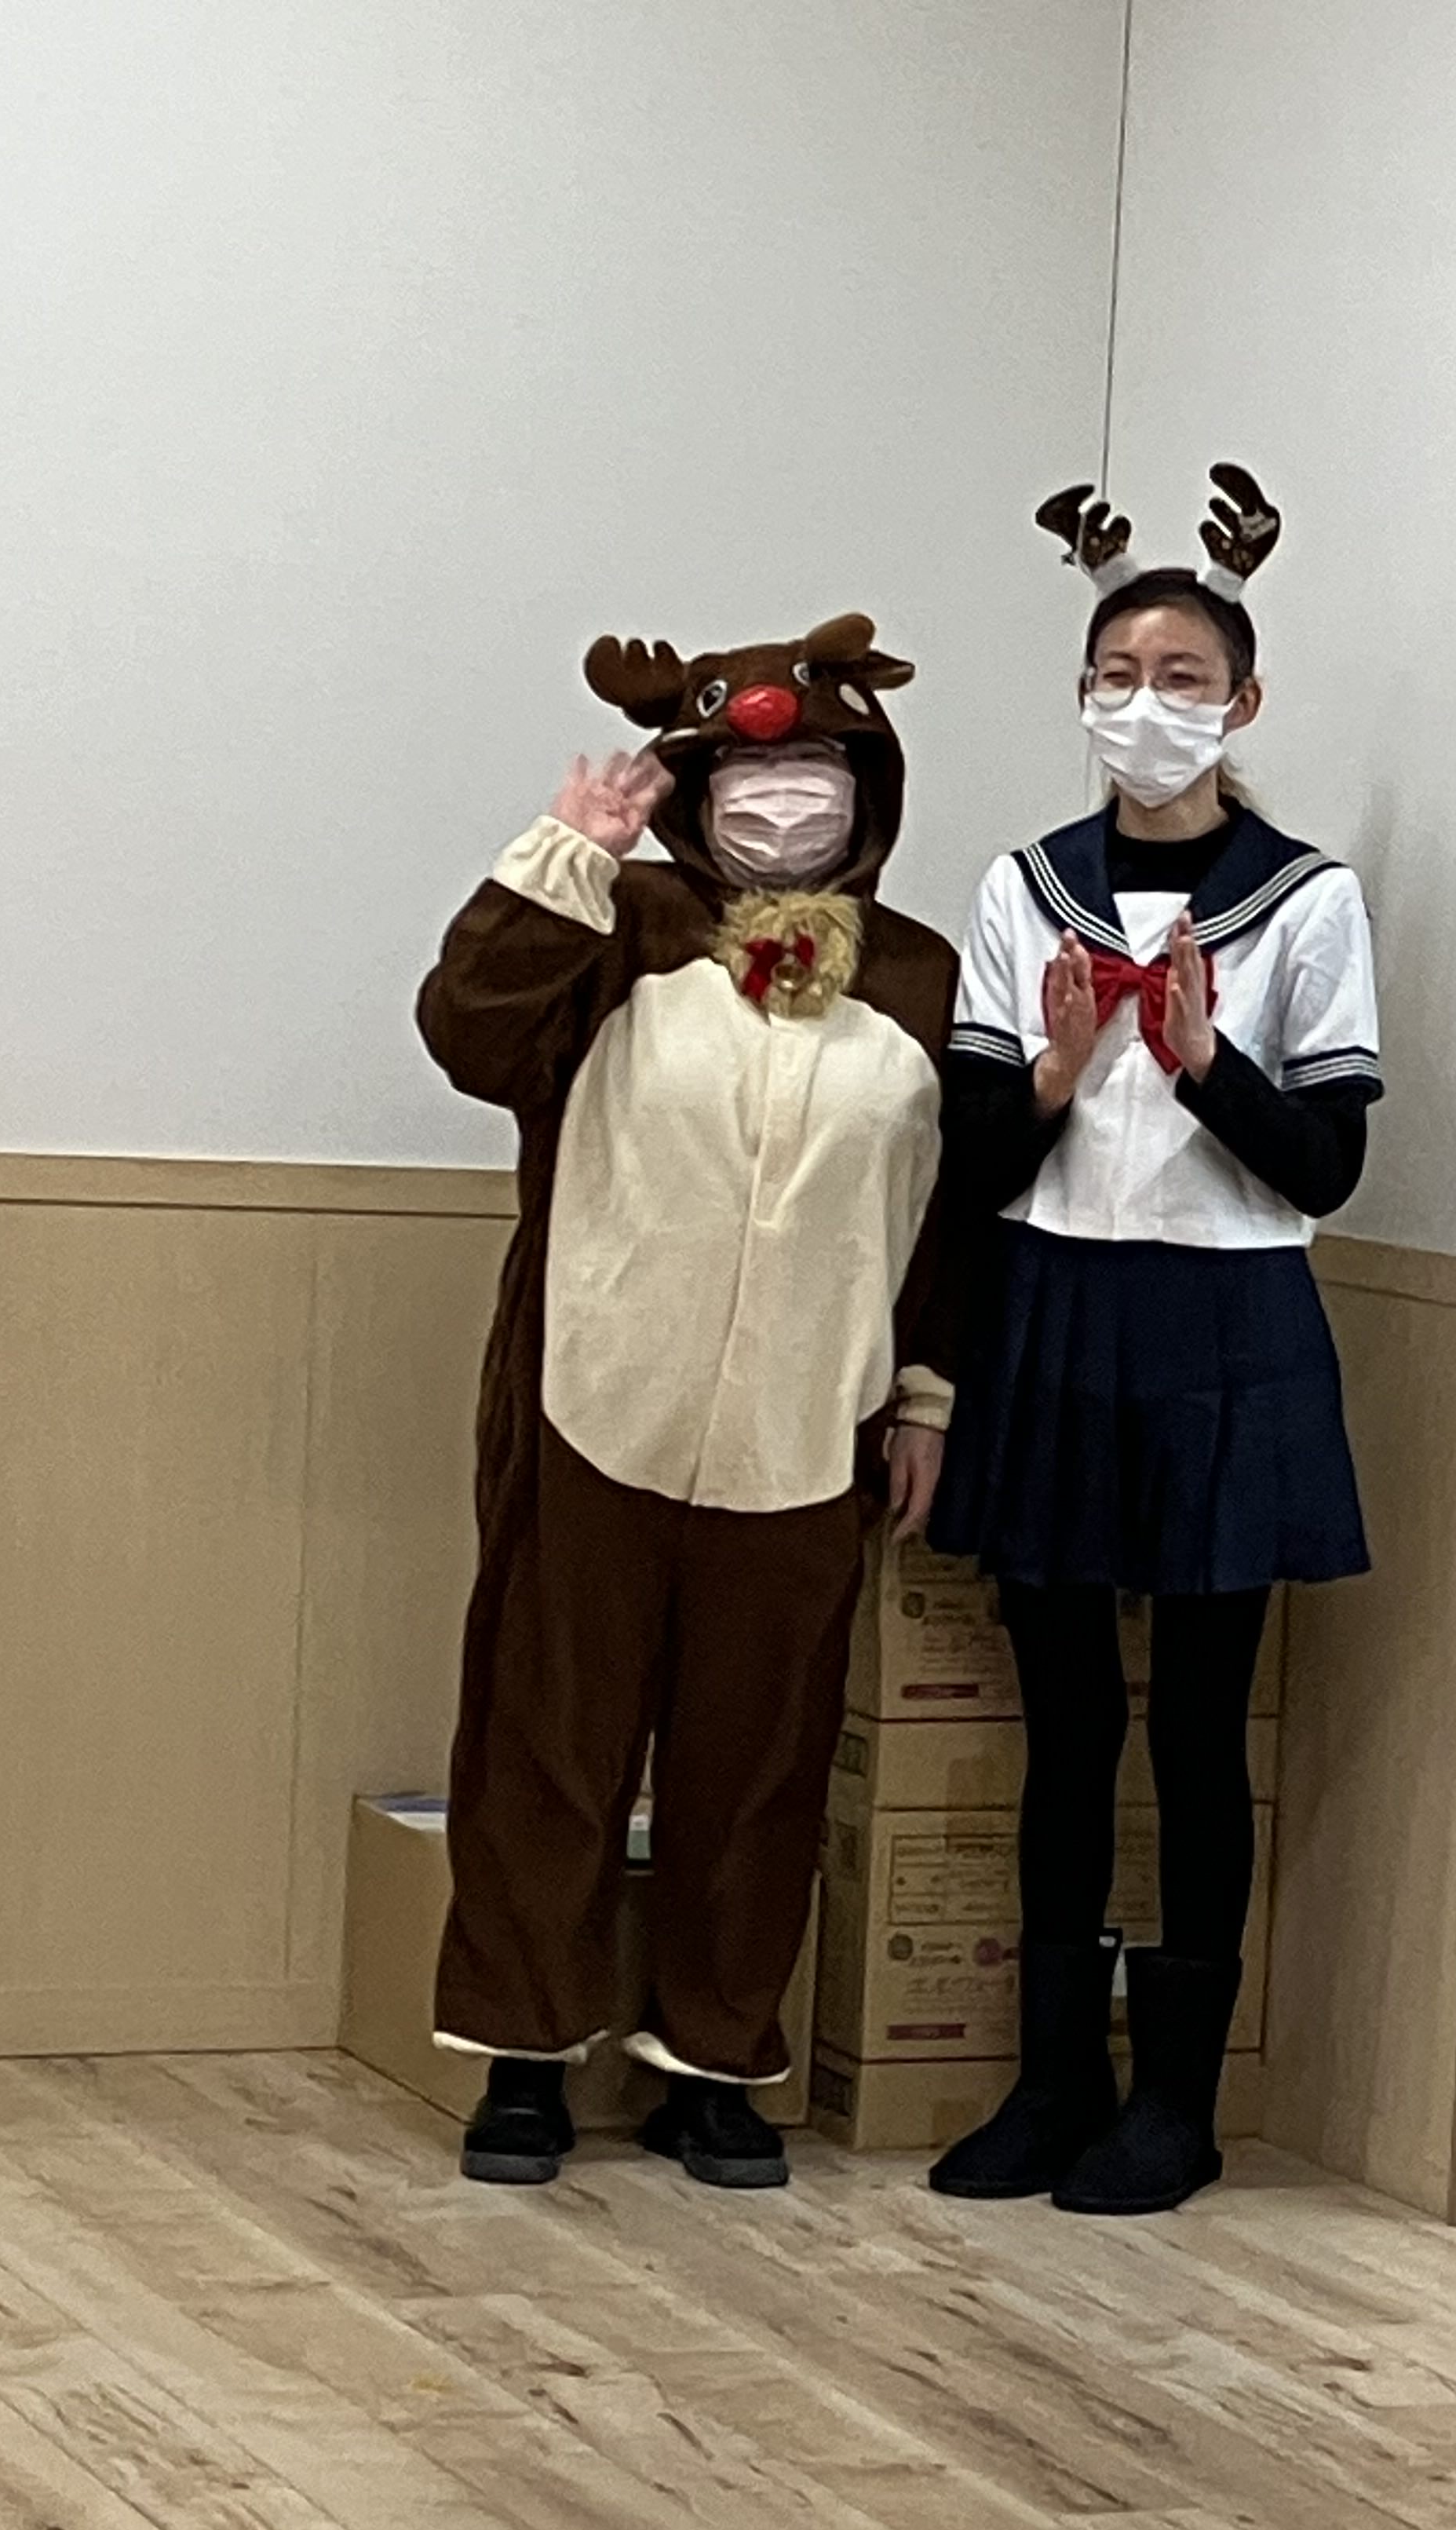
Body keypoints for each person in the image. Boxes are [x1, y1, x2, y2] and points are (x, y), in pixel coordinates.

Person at [418, 613, 957, 2192]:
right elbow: (469, 1037)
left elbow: (941, 1210)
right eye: (755, 778)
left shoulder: (920, 974)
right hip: (596, 1397)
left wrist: (924, 1394)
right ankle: (524, 2053)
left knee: (760, 1760)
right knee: (550, 1739)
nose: (786, 803)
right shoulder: (621, 926)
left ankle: (717, 2062)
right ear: (700, 792)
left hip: (807, 1427)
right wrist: (564, 858)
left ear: (870, 794)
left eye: (820, 775)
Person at [928, 468, 1378, 2217]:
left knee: (1196, 1725)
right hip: (1055, 1300)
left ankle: (1174, 2105)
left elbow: (1326, 1166)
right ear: (1082, 693)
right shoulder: (1023, 886)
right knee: (1062, 1720)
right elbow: (975, 1160)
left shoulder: (1306, 899)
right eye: (1119, 674)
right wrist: (1051, 1074)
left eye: (1183, 677)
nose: (1147, 703)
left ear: (1242, 703)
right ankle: (1052, 2082)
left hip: (1227, 1312)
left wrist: (1201, 1064)